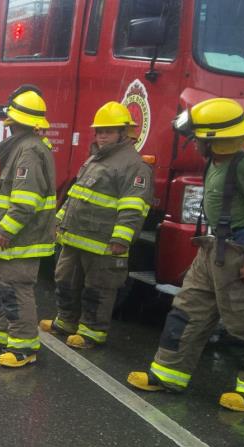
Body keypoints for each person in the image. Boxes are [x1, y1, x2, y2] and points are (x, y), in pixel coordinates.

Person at [128, 98, 244, 412]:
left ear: (216, 141)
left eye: (197, 139)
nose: (193, 144)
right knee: (188, 310)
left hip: (239, 252)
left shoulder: (242, 165)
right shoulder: (214, 162)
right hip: (212, 250)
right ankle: (168, 374)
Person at [39, 102, 153, 349]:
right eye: (99, 131)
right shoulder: (95, 158)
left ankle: (92, 332)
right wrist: (59, 221)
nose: (102, 136)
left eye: (108, 132)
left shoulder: (134, 165)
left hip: (103, 243)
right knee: (65, 280)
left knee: (98, 288)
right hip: (75, 236)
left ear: (124, 133)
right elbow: (75, 195)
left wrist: (121, 239)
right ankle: (66, 322)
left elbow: (134, 207)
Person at [0, 87, 56, 368]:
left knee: (16, 288)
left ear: (15, 122)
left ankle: (24, 346)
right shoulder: (24, 147)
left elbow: (26, 201)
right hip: (15, 238)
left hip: (21, 238)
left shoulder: (29, 151)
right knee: (1, 286)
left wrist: (6, 230)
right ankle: (4, 334)